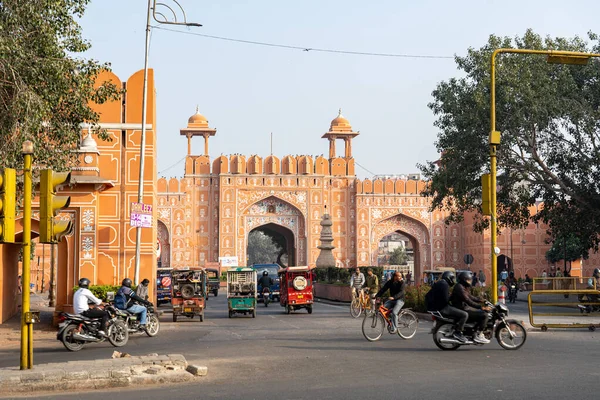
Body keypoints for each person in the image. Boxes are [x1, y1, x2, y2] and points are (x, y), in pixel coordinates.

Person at [426, 271, 469, 343]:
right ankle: (458, 332)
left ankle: (456, 328)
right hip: (442, 308)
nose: (453, 281)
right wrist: (452, 297)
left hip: (436, 307)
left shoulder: (440, 283)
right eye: (452, 279)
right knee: (464, 314)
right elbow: (446, 299)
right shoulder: (444, 285)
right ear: (448, 278)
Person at [450, 271, 491, 344]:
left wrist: (480, 300)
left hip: (464, 307)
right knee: (484, 315)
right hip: (462, 309)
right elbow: (468, 300)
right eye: (469, 280)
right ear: (464, 280)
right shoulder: (459, 288)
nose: (470, 281)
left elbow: (470, 296)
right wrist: (481, 307)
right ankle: (478, 335)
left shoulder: (463, 286)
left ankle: (474, 331)